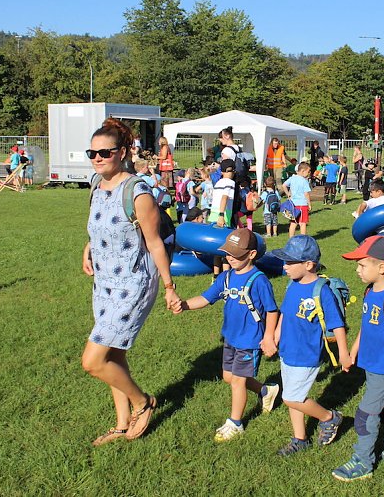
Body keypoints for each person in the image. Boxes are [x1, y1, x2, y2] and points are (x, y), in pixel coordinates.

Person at [81, 117, 180, 446]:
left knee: (93, 361)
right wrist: (88, 248)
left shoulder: (138, 193)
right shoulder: (96, 184)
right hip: (105, 282)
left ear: (122, 152)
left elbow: (153, 243)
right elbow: (99, 226)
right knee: (114, 355)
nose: (97, 159)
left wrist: (168, 287)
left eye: (104, 153)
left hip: (133, 283)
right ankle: (122, 424)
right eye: (91, 153)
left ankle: (143, 403)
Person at [172, 228, 280, 442]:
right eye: (227, 253)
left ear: (251, 254)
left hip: (249, 340)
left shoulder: (259, 280)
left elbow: (272, 310)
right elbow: (205, 298)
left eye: (236, 254)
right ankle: (266, 391)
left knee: (237, 382)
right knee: (229, 377)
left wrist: (269, 337)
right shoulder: (226, 277)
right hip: (231, 337)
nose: (230, 257)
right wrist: (183, 305)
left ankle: (235, 423)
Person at [332, 235, 384, 482]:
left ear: (382, 268)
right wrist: (353, 351)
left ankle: (363, 461)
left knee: (366, 414)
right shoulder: (369, 292)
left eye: (362, 265)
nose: (357, 270)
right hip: (371, 363)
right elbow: (366, 328)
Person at [268, 235, 350, 456]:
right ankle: (300, 439)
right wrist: (276, 333)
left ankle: (329, 417)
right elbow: (285, 312)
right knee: (293, 396)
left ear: (308, 264)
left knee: (291, 398)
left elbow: (337, 324)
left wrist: (343, 352)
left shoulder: (321, 291)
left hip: (306, 353)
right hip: (288, 350)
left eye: (289, 262)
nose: (284, 266)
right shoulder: (292, 284)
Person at [283, 161, 312, 237]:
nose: (309, 173)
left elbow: (284, 185)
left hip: (293, 205)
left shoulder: (292, 178)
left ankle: (291, 239)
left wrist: (288, 194)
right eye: (308, 172)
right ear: (303, 171)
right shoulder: (304, 181)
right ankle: (303, 240)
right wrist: (309, 204)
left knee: (293, 223)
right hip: (302, 205)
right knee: (303, 223)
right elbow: (306, 193)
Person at [209, 159, 236, 228]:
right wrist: (221, 215)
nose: (234, 173)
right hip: (224, 213)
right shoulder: (230, 182)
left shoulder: (218, 183)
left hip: (213, 213)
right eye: (233, 171)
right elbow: (224, 197)